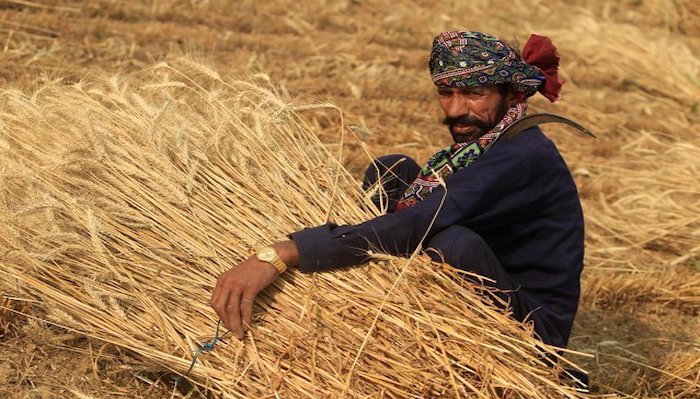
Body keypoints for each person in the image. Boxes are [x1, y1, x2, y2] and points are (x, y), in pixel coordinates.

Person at [210, 31, 585, 354]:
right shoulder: (493, 140)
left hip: (530, 330)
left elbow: (423, 220)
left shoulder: (523, 156)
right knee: (393, 169)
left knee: (451, 241)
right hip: (494, 270)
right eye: (446, 92)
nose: (456, 110)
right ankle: (377, 280)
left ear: (514, 95)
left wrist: (285, 252)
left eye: (474, 94)